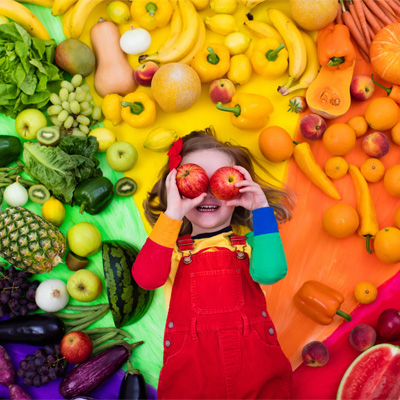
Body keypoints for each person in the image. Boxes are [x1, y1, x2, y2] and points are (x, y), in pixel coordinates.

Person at [132, 127, 295, 399]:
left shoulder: (252, 243)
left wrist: (260, 209)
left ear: (239, 190)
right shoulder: (169, 251)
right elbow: (146, 278)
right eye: (194, 181)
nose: (207, 193)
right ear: (175, 188)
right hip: (191, 379)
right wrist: (173, 213)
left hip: (257, 374)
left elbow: (271, 272)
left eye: (220, 181)